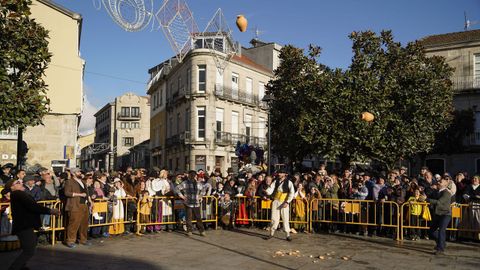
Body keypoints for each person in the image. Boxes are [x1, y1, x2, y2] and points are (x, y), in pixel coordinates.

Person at [6, 179, 60, 270]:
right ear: (12, 187)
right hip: (24, 226)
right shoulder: (18, 193)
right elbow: (32, 206)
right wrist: (50, 211)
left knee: (29, 248)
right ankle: (15, 267)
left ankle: (21, 266)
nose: (21, 183)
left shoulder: (18, 194)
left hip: (24, 225)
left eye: (21, 182)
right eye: (18, 183)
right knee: (29, 250)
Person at [64, 168, 92, 248]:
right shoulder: (69, 182)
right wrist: (79, 194)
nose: (80, 173)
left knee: (84, 224)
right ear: (73, 173)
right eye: (78, 172)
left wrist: (89, 200)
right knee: (74, 224)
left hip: (84, 205)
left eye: (80, 171)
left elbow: (86, 193)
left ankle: (83, 239)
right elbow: (67, 193)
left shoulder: (83, 182)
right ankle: (70, 241)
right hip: (75, 205)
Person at [265, 168, 295, 241]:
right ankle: (271, 233)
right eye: (279, 173)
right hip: (276, 201)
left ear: (285, 174)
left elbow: (292, 193)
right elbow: (271, 188)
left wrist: (287, 202)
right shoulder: (276, 181)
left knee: (285, 218)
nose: (279, 174)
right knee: (274, 218)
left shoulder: (289, 182)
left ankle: (288, 235)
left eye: (281, 173)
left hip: (284, 201)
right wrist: (267, 192)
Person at [175, 170, 206, 237]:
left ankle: (201, 230)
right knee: (189, 218)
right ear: (189, 176)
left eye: (193, 175)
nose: (192, 176)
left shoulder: (198, 183)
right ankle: (189, 231)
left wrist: (200, 196)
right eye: (190, 175)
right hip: (188, 203)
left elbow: (204, 189)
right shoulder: (185, 183)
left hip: (196, 203)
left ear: (195, 176)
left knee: (198, 218)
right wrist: (182, 196)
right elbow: (177, 188)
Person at [427, 177, 452, 255]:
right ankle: (441, 243)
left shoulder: (446, 193)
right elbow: (429, 195)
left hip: (445, 214)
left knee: (441, 230)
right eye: (438, 181)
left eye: (440, 182)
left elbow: (439, 202)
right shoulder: (437, 191)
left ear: (445, 184)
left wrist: (427, 199)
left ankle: (440, 249)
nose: (438, 182)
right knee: (431, 231)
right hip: (438, 214)